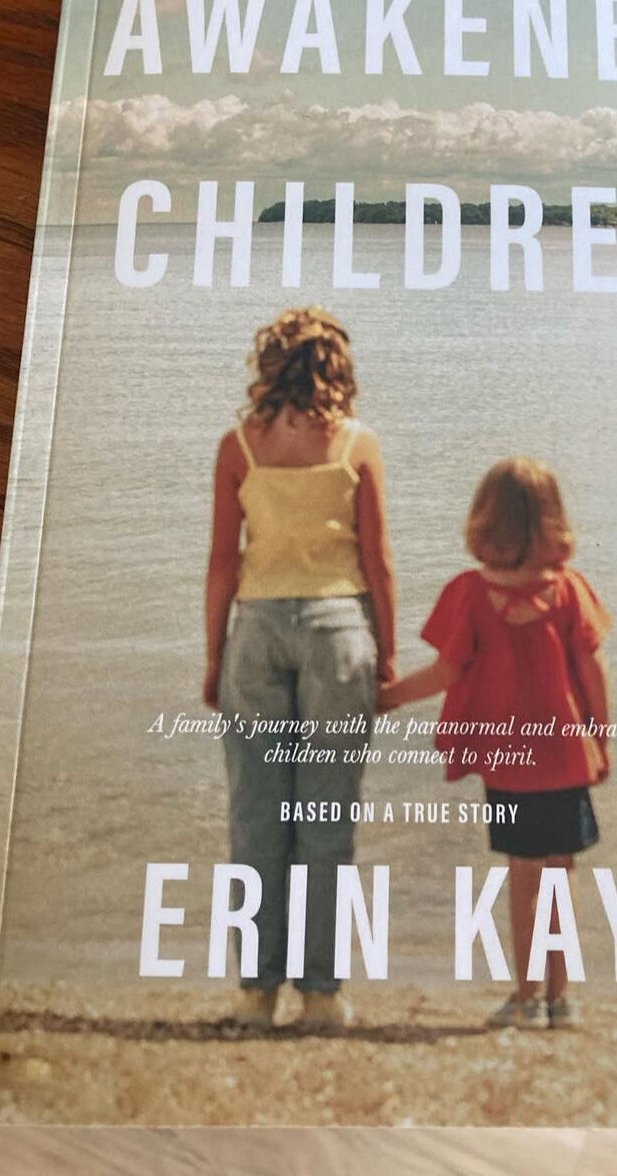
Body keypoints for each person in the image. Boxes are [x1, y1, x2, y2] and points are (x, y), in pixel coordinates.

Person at [204, 306, 396, 1031]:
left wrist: (214, 656)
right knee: (324, 819)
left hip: (256, 632)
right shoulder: (357, 445)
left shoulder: (238, 448)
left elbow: (223, 563)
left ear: (270, 366)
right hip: (338, 633)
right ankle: (321, 996)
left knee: (256, 817)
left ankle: (256, 994)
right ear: (336, 368)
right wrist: (388, 656)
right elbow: (378, 562)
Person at [378, 457, 610, 1030]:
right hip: (565, 759)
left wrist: (388, 697)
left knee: (523, 876)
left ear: (485, 520)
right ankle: (562, 999)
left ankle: (526, 999)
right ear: (553, 520)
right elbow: (592, 671)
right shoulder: (570, 591)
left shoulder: (471, 596)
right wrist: (599, 739)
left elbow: (445, 673)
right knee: (561, 874)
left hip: (510, 767)